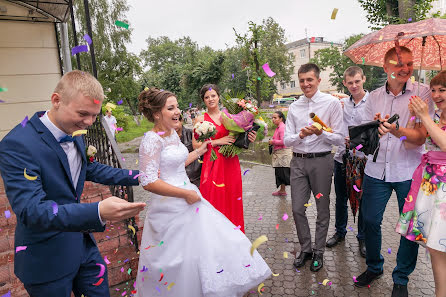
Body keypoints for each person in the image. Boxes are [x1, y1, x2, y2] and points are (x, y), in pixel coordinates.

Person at [0, 70, 146, 297]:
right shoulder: (17, 144)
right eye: (83, 113)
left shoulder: (75, 130)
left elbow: (88, 168)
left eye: (94, 115)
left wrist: (141, 176)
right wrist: (98, 210)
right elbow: (32, 211)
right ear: (56, 100)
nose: (88, 123)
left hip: (83, 246)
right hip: (46, 256)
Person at [135, 88, 271, 297]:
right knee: (177, 258)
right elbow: (148, 181)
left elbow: (180, 162)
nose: (177, 112)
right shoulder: (151, 140)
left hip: (189, 195)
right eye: (171, 108)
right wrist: (185, 194)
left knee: (219, 241)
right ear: (156, 114)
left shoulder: (171, 134)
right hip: (171, 204)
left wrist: (200, 150)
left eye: (177, 107)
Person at [354, 46, 434, 297]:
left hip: (409, 171)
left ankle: (401, 277)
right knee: (369, 221)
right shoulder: (374, 97)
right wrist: (374, 130)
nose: (405, 69)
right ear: (385, 67)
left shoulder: (423, 94)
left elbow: (421, 138)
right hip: (376, 170)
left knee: (409, 227)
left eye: (409, 63)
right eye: (398, 64)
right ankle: (374, 266)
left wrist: (397, 129)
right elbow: (364, 137)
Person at [284, 63, 344, 272]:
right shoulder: (293, 107)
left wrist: (321, 133)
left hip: (322, 162)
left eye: (309, 79)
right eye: (302, 80)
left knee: (322, 209)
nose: (305, 84)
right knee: (297, 208)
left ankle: (319, 251)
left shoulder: (332, 104)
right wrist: (300, 135)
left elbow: (339, 138)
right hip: (298, 162)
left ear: (318, 80)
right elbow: (286, 140)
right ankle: (306, 248)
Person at [395, 70, 446, 297]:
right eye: (433, 90)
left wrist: (424, 116)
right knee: (435, 247)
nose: (435, 95)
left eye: (442, 90)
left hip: (443, 188)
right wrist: (411, 118)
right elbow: (408, 143)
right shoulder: (435, 116)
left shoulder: (431, 116)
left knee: (439, 245)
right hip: (429, 186)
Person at [193, 84, 256, 233]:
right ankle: (214, 236)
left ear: (218, 96)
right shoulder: (200, 119)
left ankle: (234, 236)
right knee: (214, 199)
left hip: (230, 162)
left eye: (213, 95)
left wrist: (249, 137)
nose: (210, 99)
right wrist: (215, 142)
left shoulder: (230, 116)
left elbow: (239, 137)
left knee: (232, 198)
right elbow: (196, 145)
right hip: (212, 164)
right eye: (207, 97)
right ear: (203, 100)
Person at [326, 66, 368, 258]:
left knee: (363, 201)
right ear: (344, 83)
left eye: (357, 81)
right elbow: (334, 126)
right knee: (341, 199)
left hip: (363, 160)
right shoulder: (341, 103)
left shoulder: (372, 102)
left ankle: (363, 237)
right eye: (350, 82)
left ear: (363, 80)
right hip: (342, 157)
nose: (353, 85)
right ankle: (340, 232)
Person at [269, 111, 292, 196]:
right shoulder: (279, 127)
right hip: (279, 154)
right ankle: (282, 191)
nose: (273, 119)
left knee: (285, 174)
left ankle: (297, 192)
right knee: (281, 173)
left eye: (275, 118)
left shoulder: (282, 128)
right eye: (272, 118)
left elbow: (284, 141)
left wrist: (273, 142)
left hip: (283, 154)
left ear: (281, 118)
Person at [175, 114, 202, 187]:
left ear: (182, 121)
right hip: (179, 177)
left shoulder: (191, 133)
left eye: (177, 121)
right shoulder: (168, 137)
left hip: (195, 174)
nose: (175, 125)